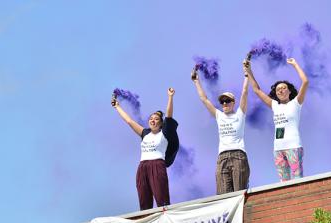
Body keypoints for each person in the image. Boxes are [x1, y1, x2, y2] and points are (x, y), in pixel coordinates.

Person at [111, 88, 178, 210]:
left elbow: (168, 115)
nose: (153, 120)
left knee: (162, 200)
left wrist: (170, 97)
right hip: (142, 167)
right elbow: (129, 121)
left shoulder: (165, 133)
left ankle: (165, 222)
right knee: (144, 201)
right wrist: (117, 107)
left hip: (157, 165)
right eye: (151, 118)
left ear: (161, 124)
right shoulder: (145, 133)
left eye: (156, 119)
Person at [245, 58, 309, 181]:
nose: (280, 90)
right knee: (283, 183)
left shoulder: (296, 103)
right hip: (278, 148)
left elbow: (305, 81)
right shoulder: (275, 105)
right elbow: (256, 90)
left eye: (284, 88)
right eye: (278, 89)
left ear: (289, 91)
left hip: (293, 146)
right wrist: (249, 71)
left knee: (298, 180)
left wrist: (295, 64)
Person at [192, 64, 250, 194]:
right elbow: (204, 99)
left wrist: (247, 75)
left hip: (238, 155)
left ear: (233, 102)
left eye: (227, 101)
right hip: (222, 157)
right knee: (223, 195)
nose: (224, 103)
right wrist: (197, 82)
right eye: (222, 101)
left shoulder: (240, 114)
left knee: (239, 193)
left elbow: (245, 92)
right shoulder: (219, 115)